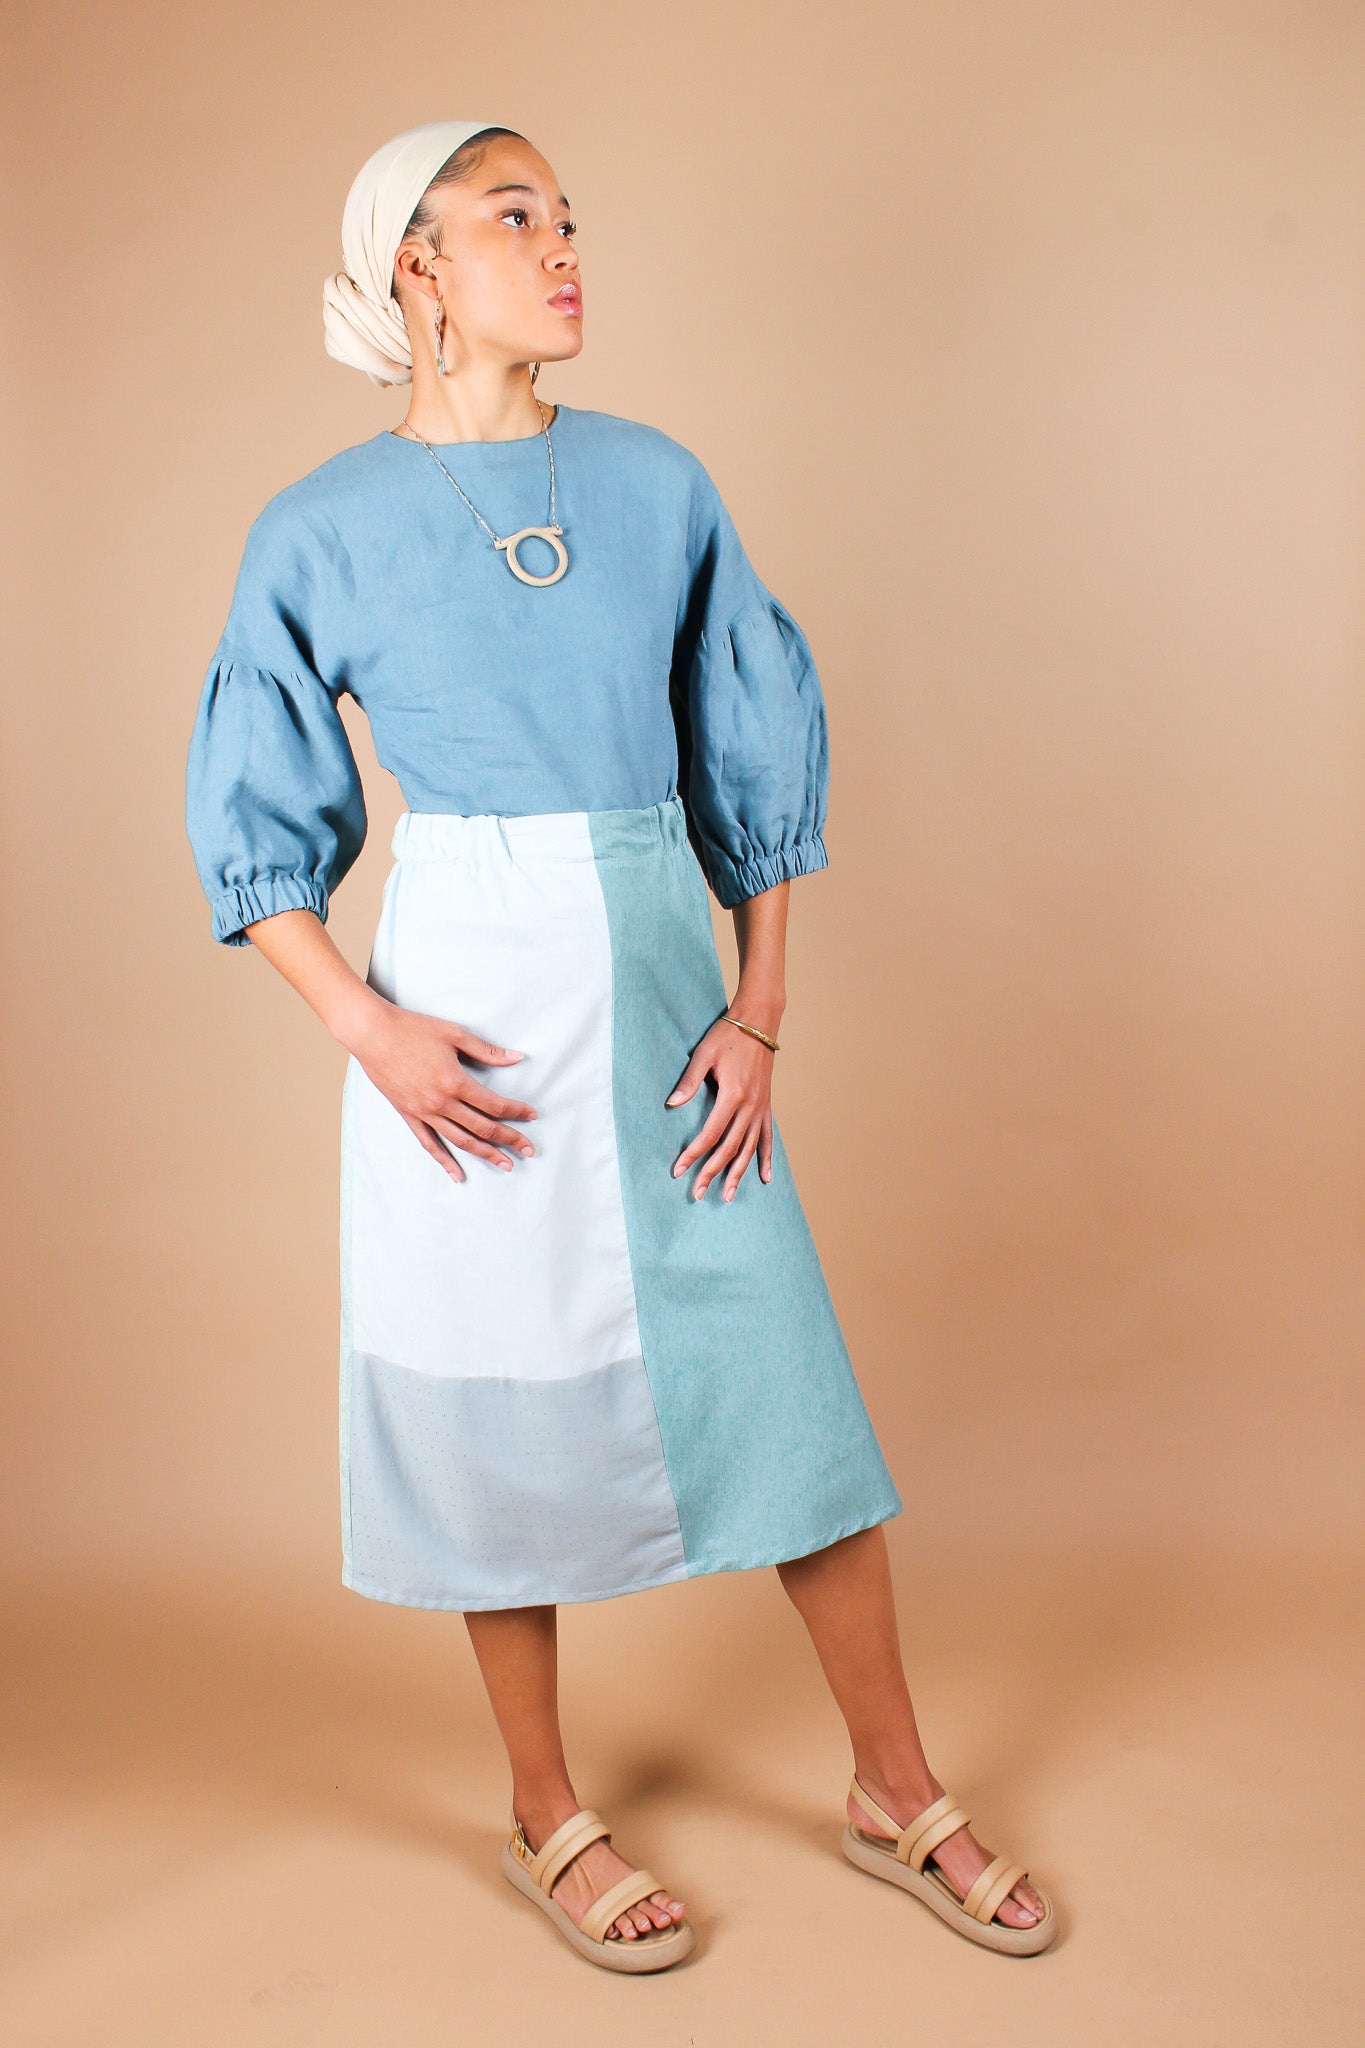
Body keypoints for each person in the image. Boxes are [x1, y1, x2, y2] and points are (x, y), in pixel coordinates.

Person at [184, 118, 1056, 1972]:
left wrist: (760, 1010)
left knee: (784, 1387)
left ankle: (894, 1785)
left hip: (664, 1002)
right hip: (468, 1031)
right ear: (418, 264)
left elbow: (749, 748)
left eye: (569, 218)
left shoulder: (658, 485)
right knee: (493, 1403)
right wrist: (365, 1031)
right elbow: (256, 815)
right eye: (517, 219)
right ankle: (542, 1810)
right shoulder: (318, 527)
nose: (563, 247)